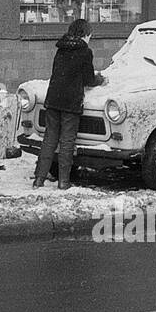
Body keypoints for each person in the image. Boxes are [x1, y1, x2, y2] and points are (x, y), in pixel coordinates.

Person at [33, 18, 104, 190]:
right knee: (67, 141)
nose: (90, 39)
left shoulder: (61, 48)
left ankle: (39, 179)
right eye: (90, 36)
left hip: (53, 98)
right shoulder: (85, 51)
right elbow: (88, 79)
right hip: (70, 102)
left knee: (49, 139)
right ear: (85, 34)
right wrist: (100, 79)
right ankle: (63, 181)